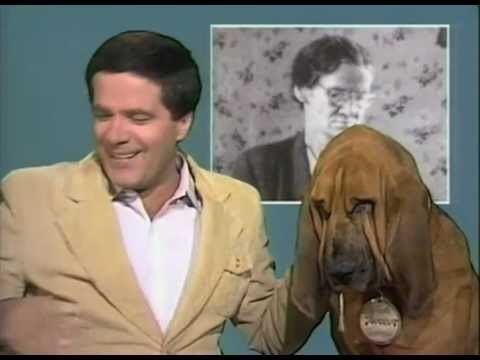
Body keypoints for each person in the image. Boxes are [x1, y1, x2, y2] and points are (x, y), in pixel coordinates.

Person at [0, 30, 327, 355]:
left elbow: (270, 333)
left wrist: (321, 250)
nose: (115, 135)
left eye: (137, 118)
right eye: (103, 115)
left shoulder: (238, 204)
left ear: (183, 123)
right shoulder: (30, 196)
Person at [232, 34, 375, 201]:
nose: (349, 110)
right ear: (301, 91)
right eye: (337, 95)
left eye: (360, 97)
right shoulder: (257, 167)